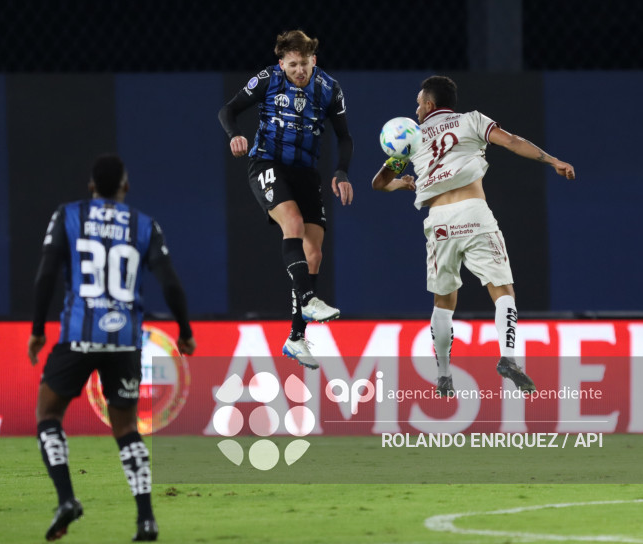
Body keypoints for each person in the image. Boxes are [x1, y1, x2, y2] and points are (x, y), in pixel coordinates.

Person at [27, 154, 197, 542]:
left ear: (90, 187)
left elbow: (47, 273)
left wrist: (38, 329)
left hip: (78, 333)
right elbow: (170, 283)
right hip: (124, 339)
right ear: (126, 187)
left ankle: (67, 499)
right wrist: (185, 330)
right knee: (126, 429)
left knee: (48, 414)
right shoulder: (143, 224)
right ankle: (146, 519)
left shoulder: (67, 216)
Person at [372, 76, 575, 396]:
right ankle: (508, 358)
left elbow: (379, 182)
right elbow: (511, 141)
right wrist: (552, 160)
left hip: (438, 222)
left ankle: (443, 375)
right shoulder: (472, 121)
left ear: (429, 104)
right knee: (502, 289)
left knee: (443, 300)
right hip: (473, 213)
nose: (416, 107)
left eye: (418, 102)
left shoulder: (413, 136)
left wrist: (403, 183)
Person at [218, 29, 354, 370]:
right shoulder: (267, 79)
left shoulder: (328, 88)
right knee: (291, 224)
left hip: (307, 173)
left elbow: (344, 137)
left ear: (314, 61)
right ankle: (309, 299)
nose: (299, 71)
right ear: (281, 63)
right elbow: (228, 111)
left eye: (304, 64)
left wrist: (341, 171)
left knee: (315, 253)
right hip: (267, 162)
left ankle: (296, 337)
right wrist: (235, 135)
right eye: (292, 65)